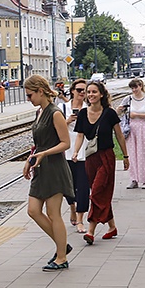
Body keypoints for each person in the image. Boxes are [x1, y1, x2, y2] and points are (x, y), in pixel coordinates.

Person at [23, 75, 76, 270]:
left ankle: (61, 257)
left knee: (54, 214)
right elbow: (38, 143)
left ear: (40, 91)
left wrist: (44, 153)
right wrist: (30, 159)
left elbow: (65, 143)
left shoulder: (55, 113)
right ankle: (62, 245)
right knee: (33, 210)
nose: (28, 99)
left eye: (30, 95)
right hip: (40, 166)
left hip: (54, 168)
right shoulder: (39, 112)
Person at [72, 81, 129, 244]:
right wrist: (76, 151)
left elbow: (119, 135)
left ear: (101, 94)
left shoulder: (110, 113)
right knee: (101, 194)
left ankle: (91, 230)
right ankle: (112, 227)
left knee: (96, 192)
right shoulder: (83, 114)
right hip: (90, 159)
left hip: (106, 157)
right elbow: (80, 135)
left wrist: (126, 156)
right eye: (88, 92)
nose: (90, 95)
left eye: (94, 92)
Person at [117, 77, 145, 189]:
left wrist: (137, 114)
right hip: (131, 127)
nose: (134, 90)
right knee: (132, 153)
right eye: (132, 88)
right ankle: (134, 178)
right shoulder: (128, 99)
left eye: (136, 87)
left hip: (142, 126)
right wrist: (120, 109)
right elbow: (119, 110)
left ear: (140, 86)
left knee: (143, 152)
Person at [64, 79, 90, 233]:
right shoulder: (63, 107)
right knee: (68, 185)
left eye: (84, 91)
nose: (82, 93)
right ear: (72, 90)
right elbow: (56, 127)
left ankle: (80, 219)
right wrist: (68, 121)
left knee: (83, 186)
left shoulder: (89, 108)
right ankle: (72, 206)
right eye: (79, 90)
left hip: (84, 151)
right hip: (66, 150)